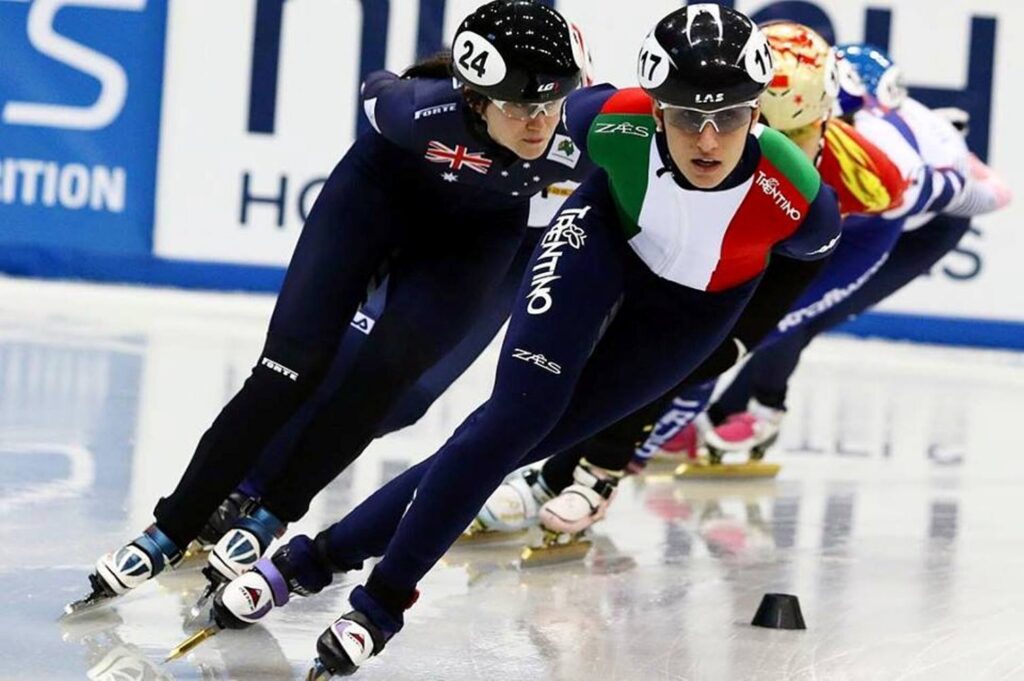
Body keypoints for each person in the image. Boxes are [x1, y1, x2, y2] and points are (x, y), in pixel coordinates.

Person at [209, 6, 843, 677]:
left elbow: (806, 262)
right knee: (508, 425)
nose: (708, 139)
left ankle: (314, 557)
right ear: (656, 112)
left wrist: (741, 341)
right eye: (687, 116)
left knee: (526, 440)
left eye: (730, 117)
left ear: (758, 113)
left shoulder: (796, 195)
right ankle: (380, 604)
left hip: (694, 308)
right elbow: (498, 125)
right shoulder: (607, 117)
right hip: (599, 242)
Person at [65, 0, 592, 615]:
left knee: (386, 381)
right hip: (375, 203)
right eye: (521, 107)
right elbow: (377, 87)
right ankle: (169, 528)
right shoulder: (415, 110)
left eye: (553, 103)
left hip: (472, 240)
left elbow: (656, 129)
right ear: (475, 98)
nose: (540, 123)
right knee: (288, 367)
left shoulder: (578, 130)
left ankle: (271, 514)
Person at [473, 20, 912, 538]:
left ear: (828, 119)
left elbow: (873, 219)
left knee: (696, 359)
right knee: (611, 338)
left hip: (800, 251)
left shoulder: (868, 175)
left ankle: (596, 475)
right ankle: (555, 470)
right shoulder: (691, 128)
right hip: (710, 230)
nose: (715, 144)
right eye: (752, 125)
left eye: (800, 133)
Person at [687, 42, 1012, 460]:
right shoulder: (857, 124)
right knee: (767, 302)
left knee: (794, 314)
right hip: (869, 208)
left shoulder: (892, 153)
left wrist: (945, 179)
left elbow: (993, 195)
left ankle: (762, 411)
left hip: (910, 229)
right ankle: (720, 411)